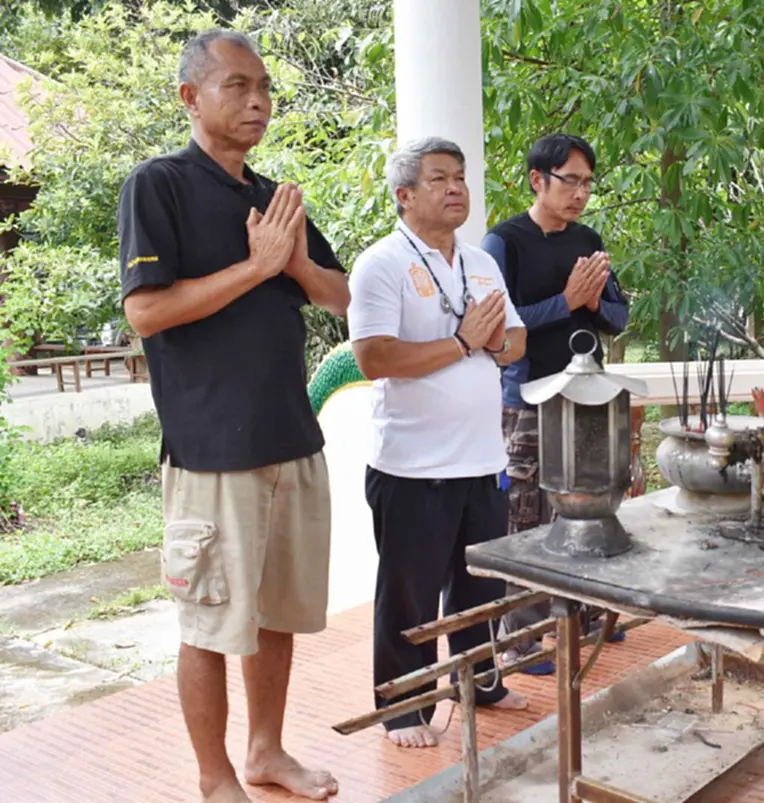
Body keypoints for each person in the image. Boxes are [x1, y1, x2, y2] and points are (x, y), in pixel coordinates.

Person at [117, 30, 349, 803]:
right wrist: (255, 267)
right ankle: (215, 778)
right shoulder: (158, 185)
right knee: (210, 624)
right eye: (238, 86)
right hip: (211, 448)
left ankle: (266, 750)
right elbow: (147, 312)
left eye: (265, 87)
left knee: (276, 614)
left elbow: (341, 296)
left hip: (290, 435)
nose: (258, 102)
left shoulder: (274, 198)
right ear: (190, 97)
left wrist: (294, 263)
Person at [348, 137, 530, 749]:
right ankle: (404, 709)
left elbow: (516, 342)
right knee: (411, 596)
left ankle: (481, 682)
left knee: (480, 588)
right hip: (413, 467)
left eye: (460, 177)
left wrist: (491, 341)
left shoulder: (480, 263)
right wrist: (462, 342)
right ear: (404, 195)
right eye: (438, 179)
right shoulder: (381, 264)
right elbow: (375, 358)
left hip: (482, 459)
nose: (456, 188)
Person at [481, 134, 629, 673]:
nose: (581, 193)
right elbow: (497, 326)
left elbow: (618, 317)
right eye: (571, 181)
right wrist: (566, 302)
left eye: (588, 183)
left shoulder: (588, 239)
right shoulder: (504, 243)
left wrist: (593, 302)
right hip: (526, 399)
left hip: (587, 397)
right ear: (537, 180)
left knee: (588, 505)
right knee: (528, 515)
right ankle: (523, 636)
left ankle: (583, 614)